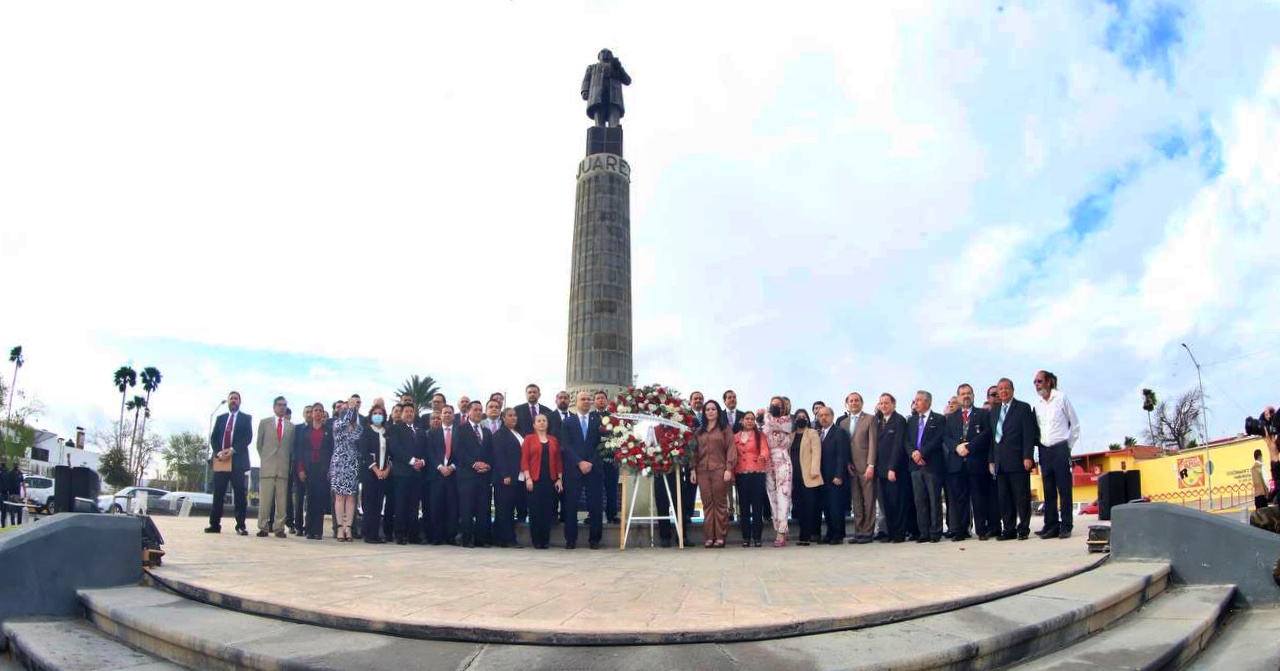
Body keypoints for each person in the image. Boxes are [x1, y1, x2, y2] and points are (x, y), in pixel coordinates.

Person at [990, 378, 1039, 541]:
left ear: (1012, 390)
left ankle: (1023, 528)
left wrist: (1028, 456)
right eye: (1000, 389)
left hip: (1018, 460)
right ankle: (1009, 529)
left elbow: (1028, 434)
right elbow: (992, 438)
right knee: (1004, 499)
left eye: (1006, 388)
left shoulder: (1023, 408)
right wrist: (991, 459)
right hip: (1000, 462)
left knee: (1021, 497)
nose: (1003, 391)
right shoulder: (995, 411)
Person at [1033, 371, 1080, 540]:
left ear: (1048, 382)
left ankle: (1066, 525)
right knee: (1048, 490)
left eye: (1039, 381)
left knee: (1064, 489)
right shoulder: (1037, 405)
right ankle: (1051, 525)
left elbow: (1075, 424)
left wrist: (1068, 446)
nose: (1037, 385)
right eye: (1035, 382)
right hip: (1044, 450)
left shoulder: (1061, 398)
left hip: (1060, 448)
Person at [943, 384, 994, 541]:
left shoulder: (983, 414)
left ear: (973, 395)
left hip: (976, 462)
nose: (966, 396)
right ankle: (961, 531)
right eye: (963, 393)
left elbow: (986, 434)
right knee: (960, 499)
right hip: (957, 464)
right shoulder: (951, 417)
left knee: (979, 498)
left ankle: (982, 530)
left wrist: (969, 447)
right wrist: (956, 447)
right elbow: (946, 437)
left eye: (968, 393)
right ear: (958, 397)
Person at [562, 391, 605, 549]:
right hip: (574, 470)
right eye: (583, 399)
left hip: (594, 469)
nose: (586, 401)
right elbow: (565, 445)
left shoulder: (598, 422)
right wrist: (579, 462)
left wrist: (590, 463)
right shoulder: (568, 422)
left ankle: (595, 540)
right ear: (576, 401)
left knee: (595, 505)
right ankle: (570, 539)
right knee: (571, 505)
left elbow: (602, 445)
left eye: (588, 399)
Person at [693, 400, 737, 548]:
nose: (710, 411)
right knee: (707, 504)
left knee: (720, 503)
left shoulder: (725, 429)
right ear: (704, 413)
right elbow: (694, 451)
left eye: (713, 409)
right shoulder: (699, 431)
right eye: (707, 409)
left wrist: (728, 468)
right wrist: (692, 469)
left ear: (718, 412)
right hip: (702, 471)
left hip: (720, 470)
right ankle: (709, 537)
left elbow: (731, 448)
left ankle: (720, 537)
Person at [207, 391, 252, 535]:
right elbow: (214, 438)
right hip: (221, 460)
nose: (233, 400)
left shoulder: (246, 418)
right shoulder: (220, 418)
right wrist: (218, 452)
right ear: (228, 402)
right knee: (218, 494)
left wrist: (232, 450)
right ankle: (214, 525)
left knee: (239, 495)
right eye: (231, 398)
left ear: (240, 401)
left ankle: (240, 525)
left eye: (236, 398)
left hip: (237, 461)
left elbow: (248, 437)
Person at [905, 391, 946, 543]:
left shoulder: (939, 419)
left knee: (934, 500)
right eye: (915, 400)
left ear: (928, 402)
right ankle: (924, 532)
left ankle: (935, 532)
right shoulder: (911, 420)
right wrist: (913, 454)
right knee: (919, 501)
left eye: (919, 400)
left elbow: (938, 439)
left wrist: (922, 453)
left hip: (932, 464)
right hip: (915, 466)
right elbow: (906, 441)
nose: (915, 403)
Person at [839, 392, 878, 544]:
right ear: (847, 404)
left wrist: (871, 465)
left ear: (861, 403)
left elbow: (873, 443)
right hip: (851, 468)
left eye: (856, 400)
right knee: (856, 502)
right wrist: (847, 462)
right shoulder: (843, 423)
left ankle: (868, 532)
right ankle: (858, 532)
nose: (853, 403)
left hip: (866, 466)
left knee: (869, 500)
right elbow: (844, 446)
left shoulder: (870, 419)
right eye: (851, 401)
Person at [522, 414, 564, 549]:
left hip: (550, 480)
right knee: (535, 511)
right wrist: (528, 478)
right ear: (534, 425)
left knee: (547, 511)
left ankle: (545, 540)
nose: (541, 423)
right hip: (534, 480)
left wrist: (559, 479)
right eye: (539, 421)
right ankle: (536, 540)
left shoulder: (553, 440)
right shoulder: (529, 439)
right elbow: (524, 459)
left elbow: (558, 461)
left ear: (547, 424)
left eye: (544, 420)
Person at [455, 401, 494, 548]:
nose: (478, 412)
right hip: (467, 476)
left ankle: (481, 539)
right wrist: (473, 464)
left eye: (480, 410)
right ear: (469, 412)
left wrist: (488, 465)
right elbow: (458, 450)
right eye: (475, 409)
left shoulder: (487, 432)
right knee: (467, 508)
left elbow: (491, 452)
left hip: (483, 476)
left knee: (483, 508)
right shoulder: (460, 429)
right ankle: (467, 539)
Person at [255, 396, 295, 538]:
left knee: (282, 501)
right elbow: (259, 445)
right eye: (279, 405)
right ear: (274, 407)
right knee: (265, 500)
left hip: (283, 467)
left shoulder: (291, 426)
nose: (282, 407)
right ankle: (263, 527)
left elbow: (291, 448)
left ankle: (279, 528)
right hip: (268, 467)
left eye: (284, 405)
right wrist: (266, 459)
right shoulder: (264, 423)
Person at [391, 402, 428, 545]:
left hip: (417, 474)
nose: (409, 413)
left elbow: (426, 450)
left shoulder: (420, 431)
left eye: (411, 411)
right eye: (406, 411)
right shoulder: (396, 429)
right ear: (401, 414)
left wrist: (422, 462)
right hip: (402, 473)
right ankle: (400, 534)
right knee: (401, 505)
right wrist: (412, 461)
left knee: (414, 506)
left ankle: (413, 535)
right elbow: (395, 449)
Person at [293, 403, 332, 540]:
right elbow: (300, 451)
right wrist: (300, 469)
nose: (318, 413)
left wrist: (330, 469)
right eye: (316, 410)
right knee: (310, 499)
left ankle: (318, 531)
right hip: (308, 467)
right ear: (312, 413)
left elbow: (331, 451)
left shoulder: (328, 430)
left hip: (323, 468)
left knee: (320, 499)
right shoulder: (304, 430)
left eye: (321, 410)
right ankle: (309, 530)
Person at [357, 406, 394, 544]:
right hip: (370, 473)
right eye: (375, 413)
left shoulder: (387, 432)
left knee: (379, 505)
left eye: (380, 413)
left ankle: (376, 533)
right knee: (369, 504)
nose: (378, 415)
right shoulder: (366, 431)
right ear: (371, 416)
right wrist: (376, 470)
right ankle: (368, 534)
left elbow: (391, 453)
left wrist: (387, 469)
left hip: (384, 474)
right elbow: (364, 453)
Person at [875, 394, 908, 543]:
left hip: (894, 470)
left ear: (894, 404)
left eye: (886, 403)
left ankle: (899, 534)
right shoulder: (879, 422)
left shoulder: (899, 420)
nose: (883, 405)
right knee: (886, 504)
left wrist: (892, 468)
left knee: (897, 503)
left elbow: (898, 445)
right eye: (881, 403)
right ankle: (891, 533)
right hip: (881, 470)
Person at [733, 411, 770, 547]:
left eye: (752, 419)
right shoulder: (735, 437)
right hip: (741, 474)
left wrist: (763, 456)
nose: (749, 421)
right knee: (743, 508)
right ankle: (746, 537)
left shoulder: (760, 435)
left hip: (757, 473)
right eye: (747, 418)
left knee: (757, 507)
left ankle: (757, 537)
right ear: (742, 421)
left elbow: (765, 449)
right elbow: (732, 454)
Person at [814, 406, 850, 544]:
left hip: (835, 476)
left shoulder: (839, 432)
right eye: (821, 415)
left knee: (836, 507)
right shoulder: (819, 434)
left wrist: (839, 475)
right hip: (823, 477)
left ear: (832, 416)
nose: (823, 418)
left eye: (826, 415)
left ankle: (838, 534)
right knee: (827, 507)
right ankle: (829, 533)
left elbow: (842, 455)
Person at [491, 408, 525, 548]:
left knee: (510, 508)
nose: (513, 418)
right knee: (505, 509)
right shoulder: (500, 434)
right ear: (503, 418)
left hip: (518, 476)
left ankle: (501, 538)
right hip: (506, 477)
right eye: (510, 415)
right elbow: (499, 456)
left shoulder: (517, 433)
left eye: (515, 415)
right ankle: (507, 539)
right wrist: (505, 474)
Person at [425, 405, 459, 545]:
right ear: (441, 415)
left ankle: (450, 537)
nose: (447, 415)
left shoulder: (459, 432)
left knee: (452, 508)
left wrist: (451, 467)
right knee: (436, 507)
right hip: (436, 475)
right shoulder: (433, 433)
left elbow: (462, 452)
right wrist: (440, 467)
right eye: (445, 413)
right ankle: (437, 537)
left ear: (453, 415)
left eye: (450, 413)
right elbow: (430, 453)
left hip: (453, 475)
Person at [330, 403, 364, 542]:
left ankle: (348, 527)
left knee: (351, 497)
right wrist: (351, 406)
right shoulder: (337, 424)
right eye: (344, 409)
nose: (347, 411)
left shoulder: (359, 428)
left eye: (349, 409)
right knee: (339, 497)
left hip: (353, 464)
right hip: (339, 463)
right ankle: (339, 527)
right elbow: (344, 423)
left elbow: (357, 441)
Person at [763, 397, 794, 547]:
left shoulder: (787, 421)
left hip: (783, 461)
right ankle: (779, 530)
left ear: (783, 407)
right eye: (772, 404)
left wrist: (767, 416)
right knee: (772, 497)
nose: (774, 407)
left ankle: (781, 533)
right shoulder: (765, 421)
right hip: (768, 463)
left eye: (778, 405)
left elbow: (775, 425)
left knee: (783, 496)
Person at [789, 409, 822, 545]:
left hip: (809, 476)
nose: (801, 419)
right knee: (799, 507)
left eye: (803, 416)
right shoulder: (791, 435)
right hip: (795, 477)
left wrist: (814, 470)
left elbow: (816, 452)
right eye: (798, 417)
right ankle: (803, 535)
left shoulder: (812, 433)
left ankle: (809, 535)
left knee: (810, 506)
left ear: (807, 419)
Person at [595, 390, 620, 524]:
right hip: (595, 460)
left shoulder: (614, 417)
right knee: (595, 489)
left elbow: (620, 435)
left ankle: (612, 515)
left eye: (602, 398)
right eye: (598, 398)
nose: (600, 400)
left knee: (612, 488)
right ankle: (594, 515)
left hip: (611, 460)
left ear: (607, 400)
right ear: (594, 401)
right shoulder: (590, 417)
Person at [288, 405, 313, 535]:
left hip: (313, 469)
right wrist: (300, 469)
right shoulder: (297, 429)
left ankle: (309, 526)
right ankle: (298, 526)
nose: (309, 414)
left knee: (312, 499)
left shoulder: (318, 428)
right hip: (299, 467)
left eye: (311, 412)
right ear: (303, 414)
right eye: (307, 412)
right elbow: (296, 449)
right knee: (298, 498)